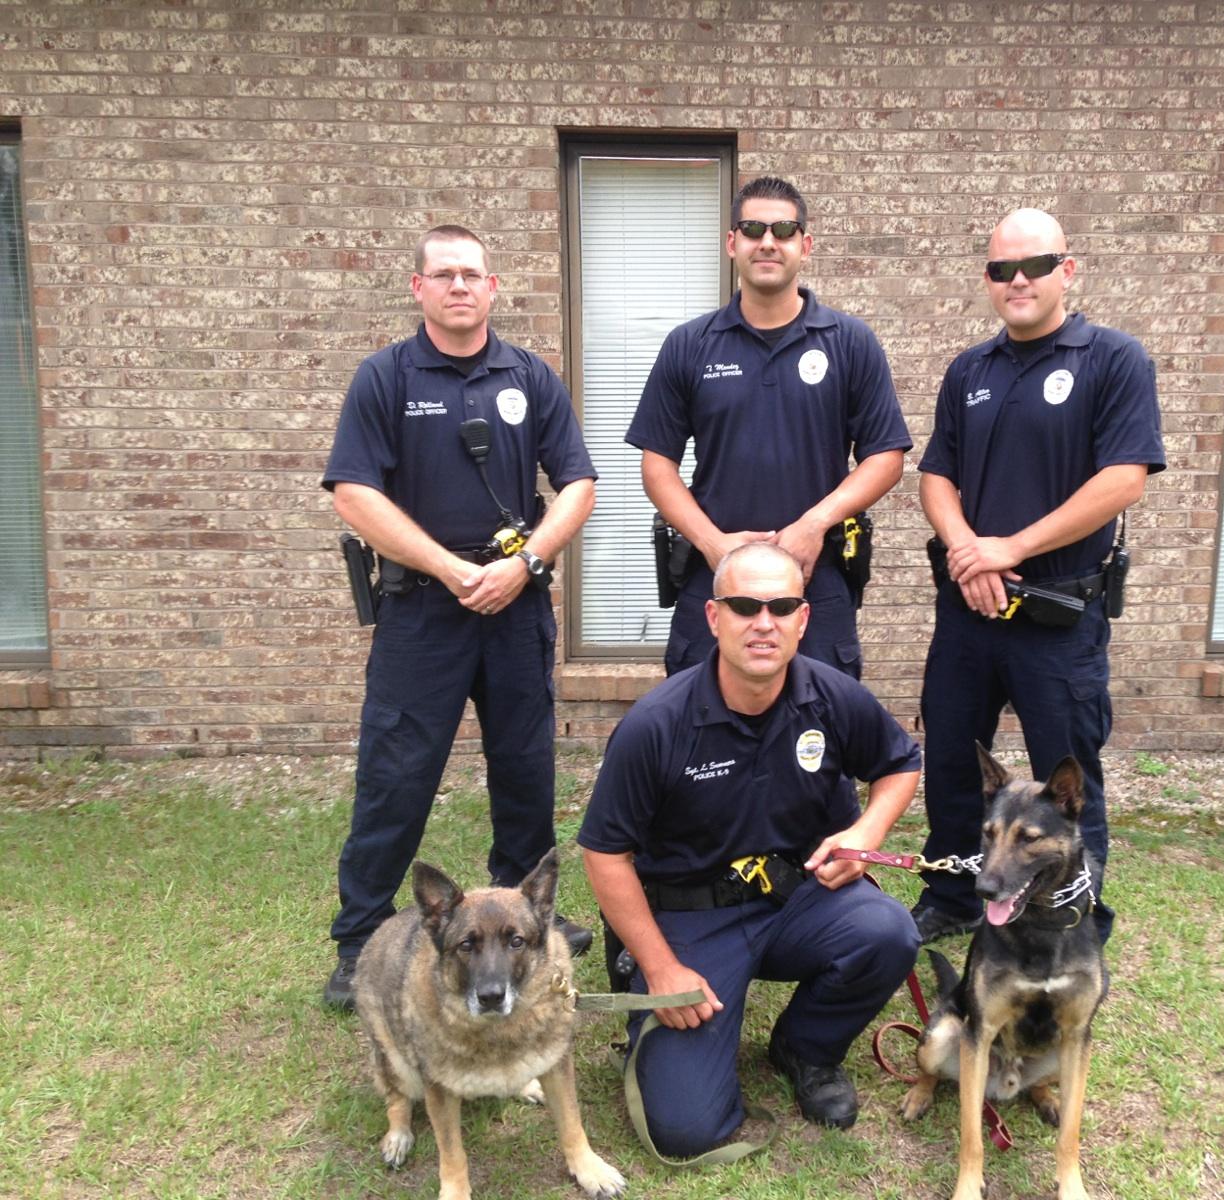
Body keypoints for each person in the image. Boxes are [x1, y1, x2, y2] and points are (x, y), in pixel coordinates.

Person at [320, 225, 598, 1009]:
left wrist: (525, 566)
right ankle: (360, 937)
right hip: (421, 613)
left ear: (493, 286)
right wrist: (450, 567)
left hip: (515, 608)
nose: (459, 287)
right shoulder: (384, 377)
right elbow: (353, 493)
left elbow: (578, 482)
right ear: (419, 289)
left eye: (471, 274)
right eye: (442, 275)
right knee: (396, 775)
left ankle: (527, 924)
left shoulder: (530, 377)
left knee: (525, 770)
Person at [579, 542, 921, 1157]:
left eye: (781, 606)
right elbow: (605, 856)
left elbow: (899, 765)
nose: (763, 623)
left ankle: (806, 1048)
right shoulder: (657, 724)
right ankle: (671, 1034)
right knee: (685, 1131)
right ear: (714, 618)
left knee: (889, 932)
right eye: (744, 606)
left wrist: (864, 837)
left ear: (803, 620)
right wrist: (659, 966)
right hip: (688, 919)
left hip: (793, 898)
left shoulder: (832, 697)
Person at [910, 208, 1166, 947]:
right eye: (1001, 270)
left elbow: (1123, 481)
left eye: (1035, 266)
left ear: (1068, 271)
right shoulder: (970, 371)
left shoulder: (1114, 360)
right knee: (955, 761)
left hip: (1058, 620)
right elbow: (936, 477)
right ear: (988, 280)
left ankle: (1072, 920)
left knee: (1067, 778)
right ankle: (956, 897)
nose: (1017, 281)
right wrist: (968, 552)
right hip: (968, 613)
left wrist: (1008, 549)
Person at [627, 176, 911, 679]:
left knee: (822, 733)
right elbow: (657, 465)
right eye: (753, 228)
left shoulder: (850, 342)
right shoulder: (690, 345)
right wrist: (714, 544)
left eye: (783, 229)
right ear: (732, 242)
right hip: (716, 578)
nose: (768, 242)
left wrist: (814, 525)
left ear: (805, 244)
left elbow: (885, 458)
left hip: (815, 579)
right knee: (702, 732)